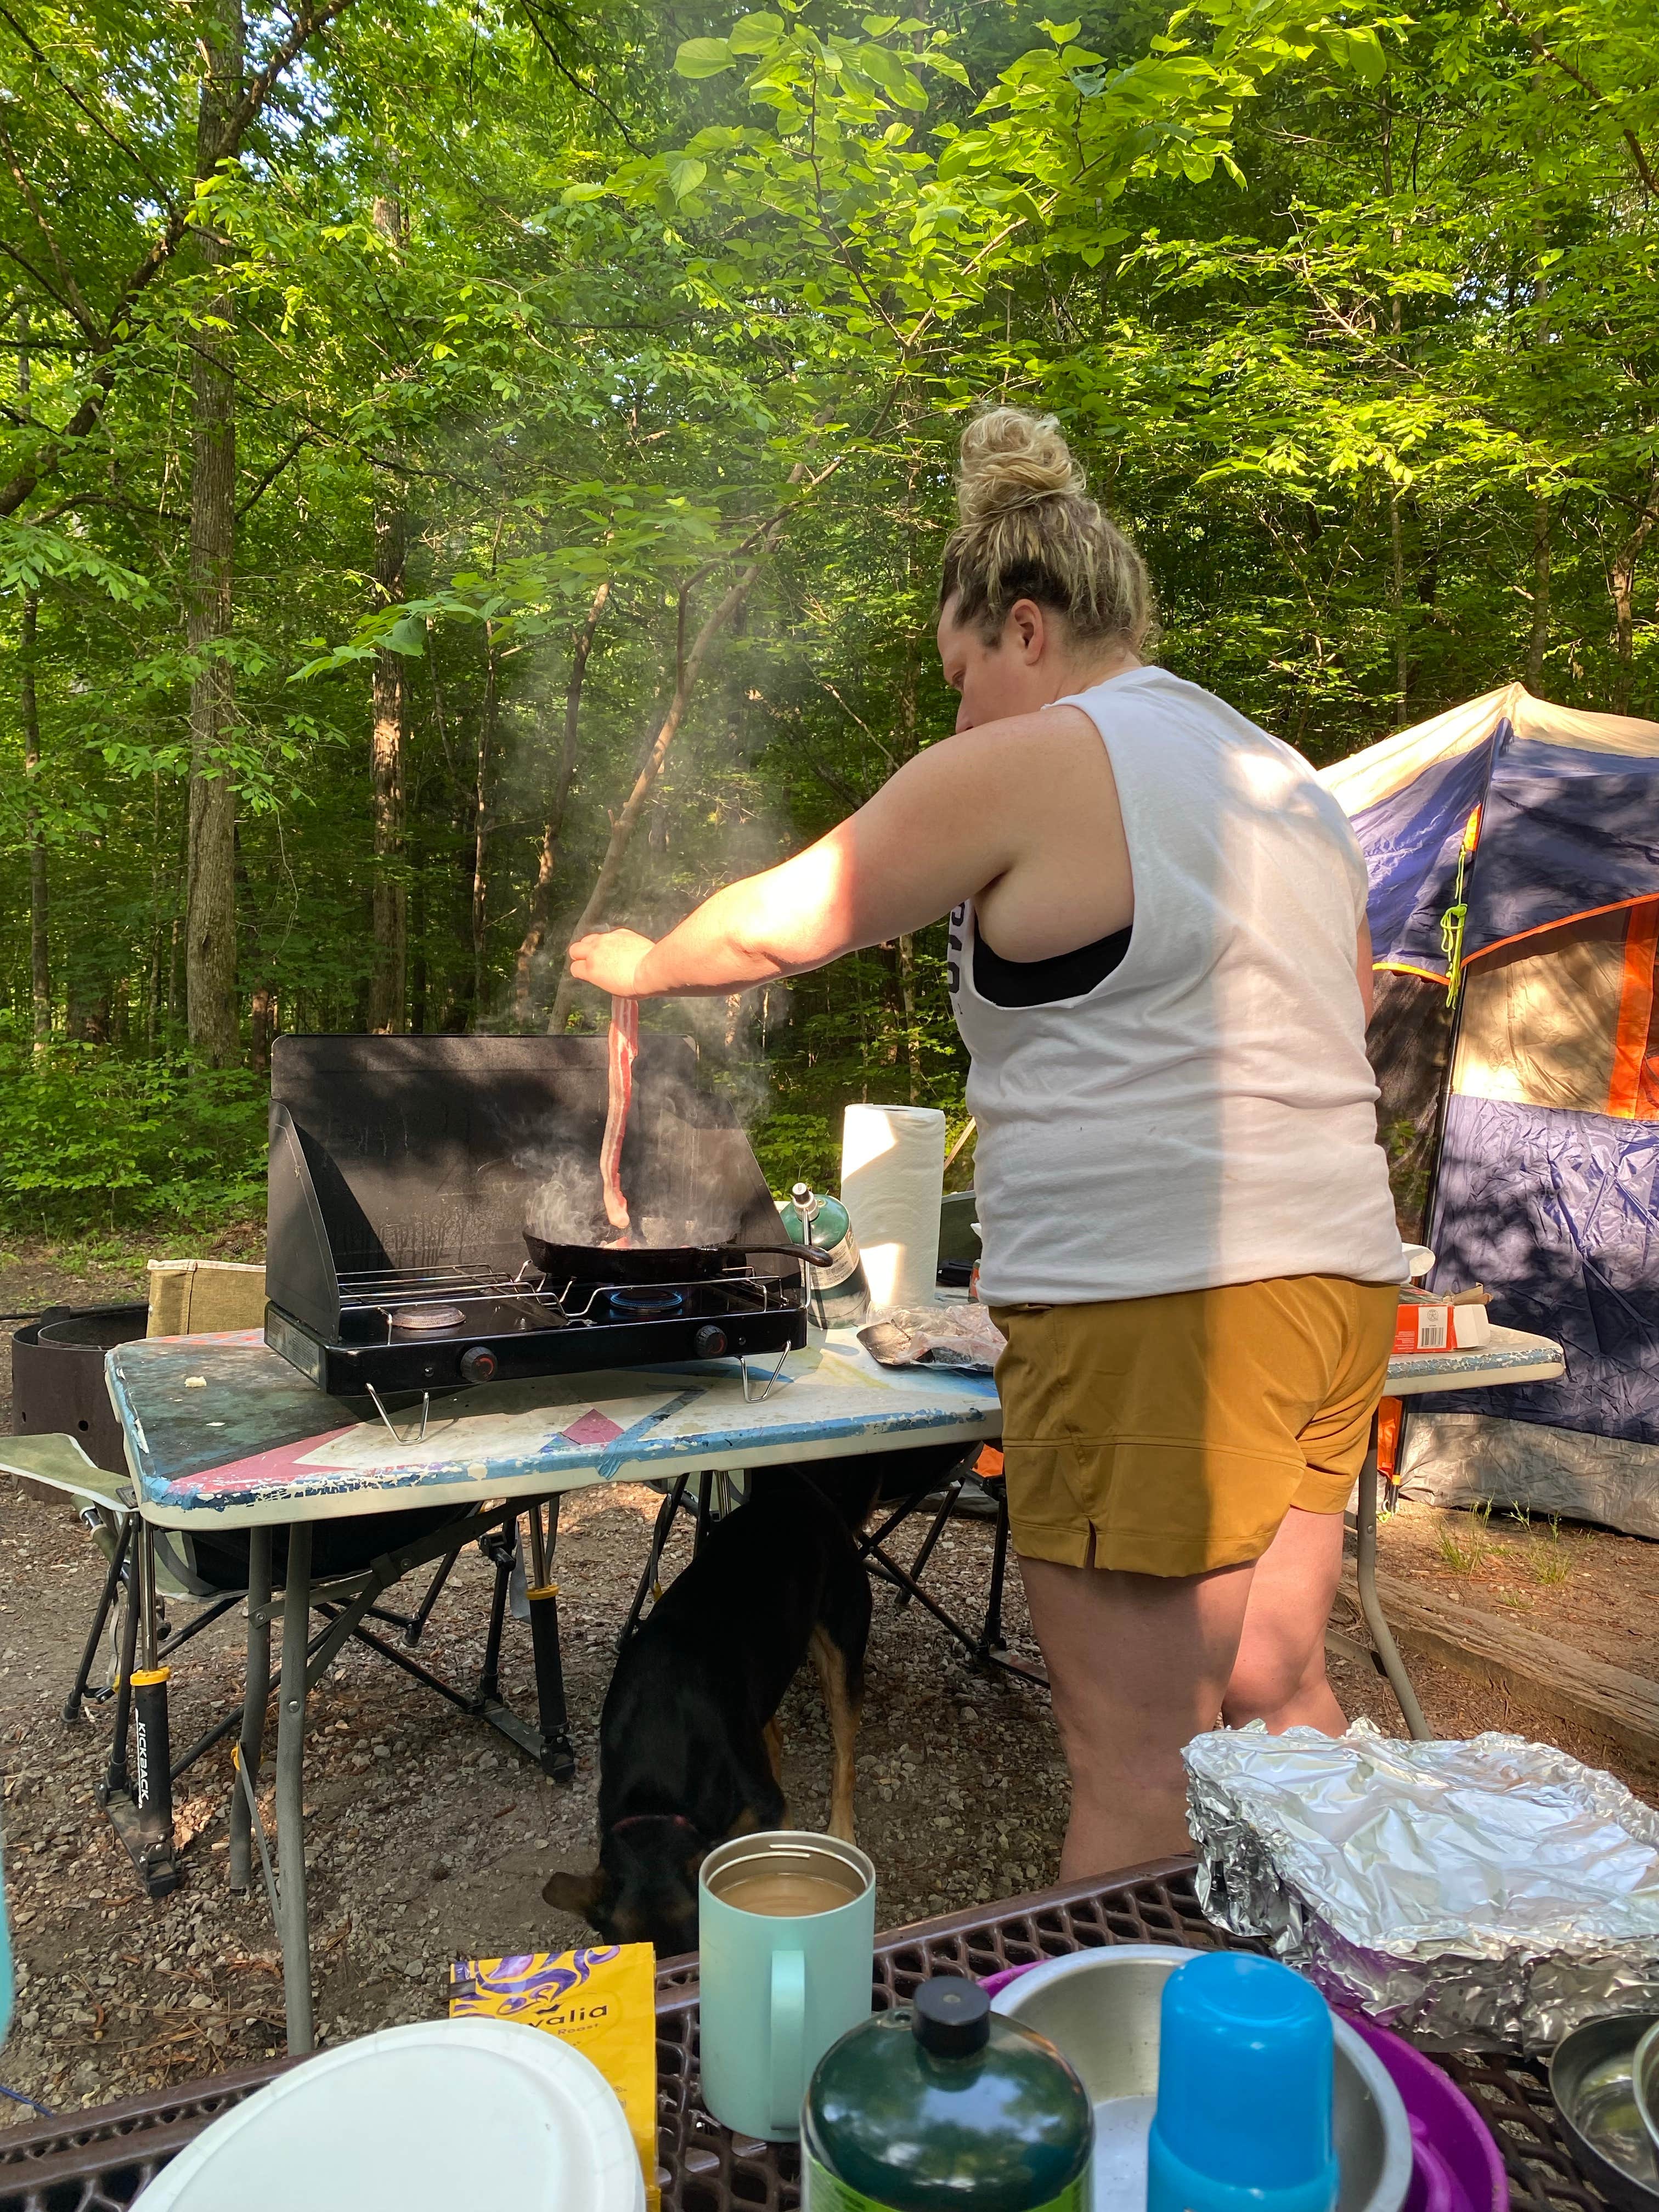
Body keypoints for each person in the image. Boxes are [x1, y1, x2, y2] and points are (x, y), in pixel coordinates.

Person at [569, 407, 1405, 1879]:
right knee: (1281, 1696)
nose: (954, 718)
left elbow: (791, 913)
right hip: (1335, 1285)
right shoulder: (1286, 778)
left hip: (1161, 1306)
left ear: (1025, 628)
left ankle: (1135, 2095)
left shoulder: (1047, 753)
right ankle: (1324, 2058)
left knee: (1143, 1777)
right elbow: (1341, 1017)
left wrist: (641, 964)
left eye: (959, 679)